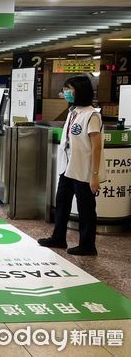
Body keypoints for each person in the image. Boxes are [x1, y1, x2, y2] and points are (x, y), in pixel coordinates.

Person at [38, 75, 103, 256]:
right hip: (67, 168)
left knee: (86, 209)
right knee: (62, 203)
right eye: (65, 89)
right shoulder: (73, 112)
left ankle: (88, 245)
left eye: (69, 89)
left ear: (80, 91)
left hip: (84, 171)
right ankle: (59, 237)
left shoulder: (92, 115)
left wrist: (95, 175)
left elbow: (96, 147)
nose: (65, 92)